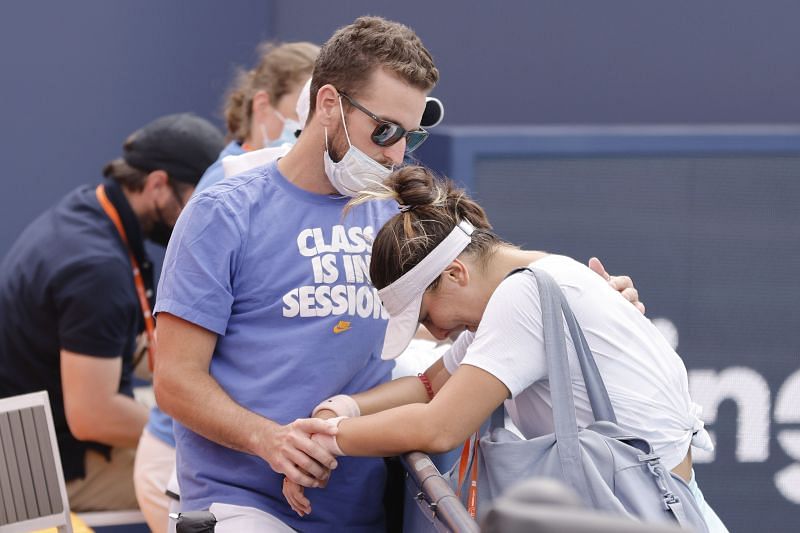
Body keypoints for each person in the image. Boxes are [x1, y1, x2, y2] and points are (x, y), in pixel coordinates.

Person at [153, 16, 641, 532]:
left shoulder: (397, 209)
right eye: (383, 130)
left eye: (410, 134)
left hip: (364, 506)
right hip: (240, 503)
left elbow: (478, 292)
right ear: (327, 105)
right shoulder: (223, 213)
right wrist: (269, 441)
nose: (395, 152)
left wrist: (586, 297)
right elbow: (176, 381)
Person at [283, 166, 728, 532]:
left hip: (640, 514)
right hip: (664, 505)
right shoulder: (542, 279)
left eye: (425, 315)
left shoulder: (523, 299)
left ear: (455, 274)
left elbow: (439, 427)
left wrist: (328, 438)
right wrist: (339, 409)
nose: (436, 333)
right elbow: (429, 386)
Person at [134, 41, 317, 533]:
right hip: (190, 466)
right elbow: (177, 372)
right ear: (262, 107)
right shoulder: (225, 193)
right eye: (301, 110)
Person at [0, 113, 224, 511]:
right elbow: (94, 415)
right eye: (199, 199)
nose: (205, 215)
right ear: (158, 184)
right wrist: (210, 427)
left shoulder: (91, 211)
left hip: (34, 442)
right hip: (33, 472)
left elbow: (126, 342)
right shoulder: (95, 269)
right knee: (225, 481)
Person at [193, 41, 319, 194]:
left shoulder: (307, 181)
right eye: (300, 113)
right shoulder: (223, 182)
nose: (312, 128)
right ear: (262, 106)